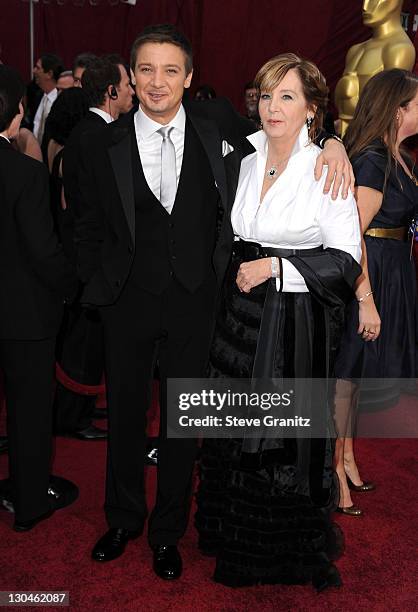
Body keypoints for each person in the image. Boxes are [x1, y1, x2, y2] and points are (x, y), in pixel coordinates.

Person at [75, 24, 354, 580]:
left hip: (197, 305)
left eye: (171, 70)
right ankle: (125, 518)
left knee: (183, 423)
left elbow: (287, 131)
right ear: (130, 76)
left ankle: (167, 532)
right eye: (147, 70)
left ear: (190, 77)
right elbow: (81, 227)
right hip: (125, 306)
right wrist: (99, 289)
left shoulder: (216, 126)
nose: (158, 82)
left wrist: (333, 141)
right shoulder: (96, 141)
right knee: (125, 419)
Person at [195, 53, 362, 590]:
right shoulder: (243, 156)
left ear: (312, 109)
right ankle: (227, 530)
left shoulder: (326, 169)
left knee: (280, 438)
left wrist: (277, 267)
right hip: (237, 320)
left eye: (287, 97)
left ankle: (276, 552)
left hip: (294, 325)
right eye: (266, 95)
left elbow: (345, 262)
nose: (272, 107)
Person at [334, 68, 418, 514]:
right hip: (371, 271)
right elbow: (354, 233)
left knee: (358, 376)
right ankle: (333, 472)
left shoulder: (400, 155)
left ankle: (346, 456)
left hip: (394, 269)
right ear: (399, 108)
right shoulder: (372, 159)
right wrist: (365, 296)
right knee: (346, 374)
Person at [0, 65, 79, 531]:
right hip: (24, 315)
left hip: (21, 311)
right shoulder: (25, 174)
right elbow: (44, 253)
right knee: (29, 412)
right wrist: (72, 290)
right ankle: (29, 503)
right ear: (17, 114)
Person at [53, 56, 133, 442]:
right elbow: (98, 208)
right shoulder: (99, 137)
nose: (134, 91)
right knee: (83, 346)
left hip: (88, 256)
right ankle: (71, 416)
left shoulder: (85, 132)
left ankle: (78, 410)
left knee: (87, 343)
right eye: (128, 84)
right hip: (93, 259)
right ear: (111, 91)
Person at [32, 54, 64, 151]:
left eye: (38, 68)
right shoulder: (37, 97)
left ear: (49, 74)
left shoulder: (61, 101)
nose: (34, 71)